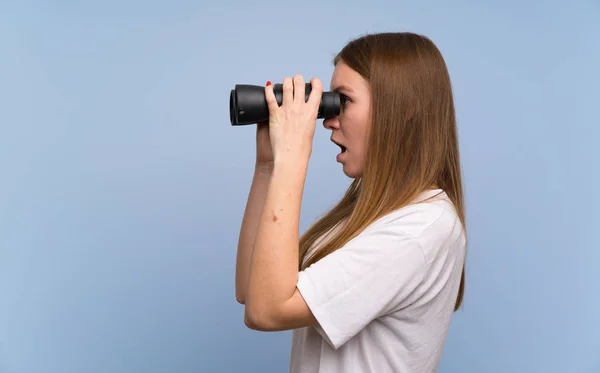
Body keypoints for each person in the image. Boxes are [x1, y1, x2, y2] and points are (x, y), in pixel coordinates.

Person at [235, 31, 467, 373]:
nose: (329, 119)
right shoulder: (366, 217)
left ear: (404, 107)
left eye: (343, 100)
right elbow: (251, 290)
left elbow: (266, 311)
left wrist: (293, 159)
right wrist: (269, 165)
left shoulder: (420, 230)